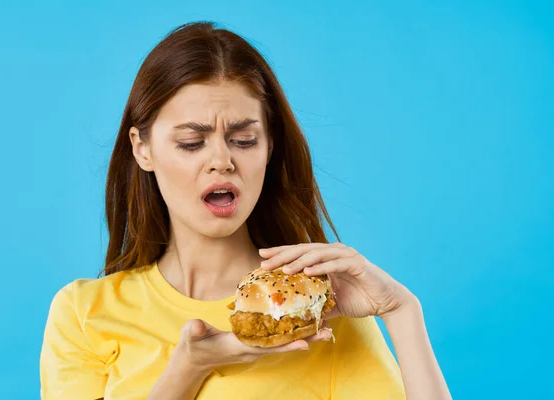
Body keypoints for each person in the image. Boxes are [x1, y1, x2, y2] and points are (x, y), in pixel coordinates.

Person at [39, 21, 451, 400]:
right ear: (142, 148)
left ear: (270, 146)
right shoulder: (84, 313)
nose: (222, 160)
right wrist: (188, 369)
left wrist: (402, 311)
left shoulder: (322, 310)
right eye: (191, 142)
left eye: (244, 139)